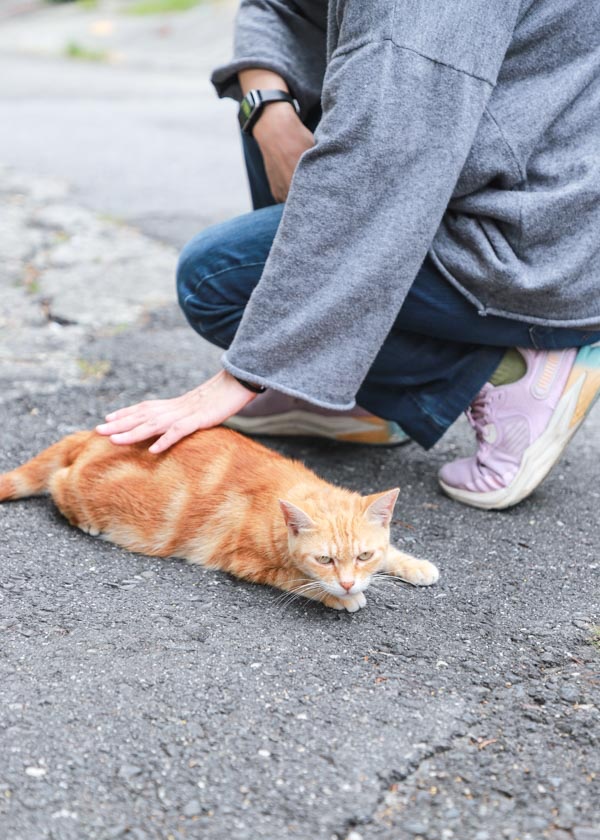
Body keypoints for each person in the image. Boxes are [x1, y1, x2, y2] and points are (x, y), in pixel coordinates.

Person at [97, 0, 600, 510]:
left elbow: (384, 151)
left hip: (541, 238)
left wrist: (253, 367)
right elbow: (274, 7)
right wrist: (268, 115)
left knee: (214, 280)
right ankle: (344, 388)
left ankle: (506, 369)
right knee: (285, 90)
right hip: (487, 171)